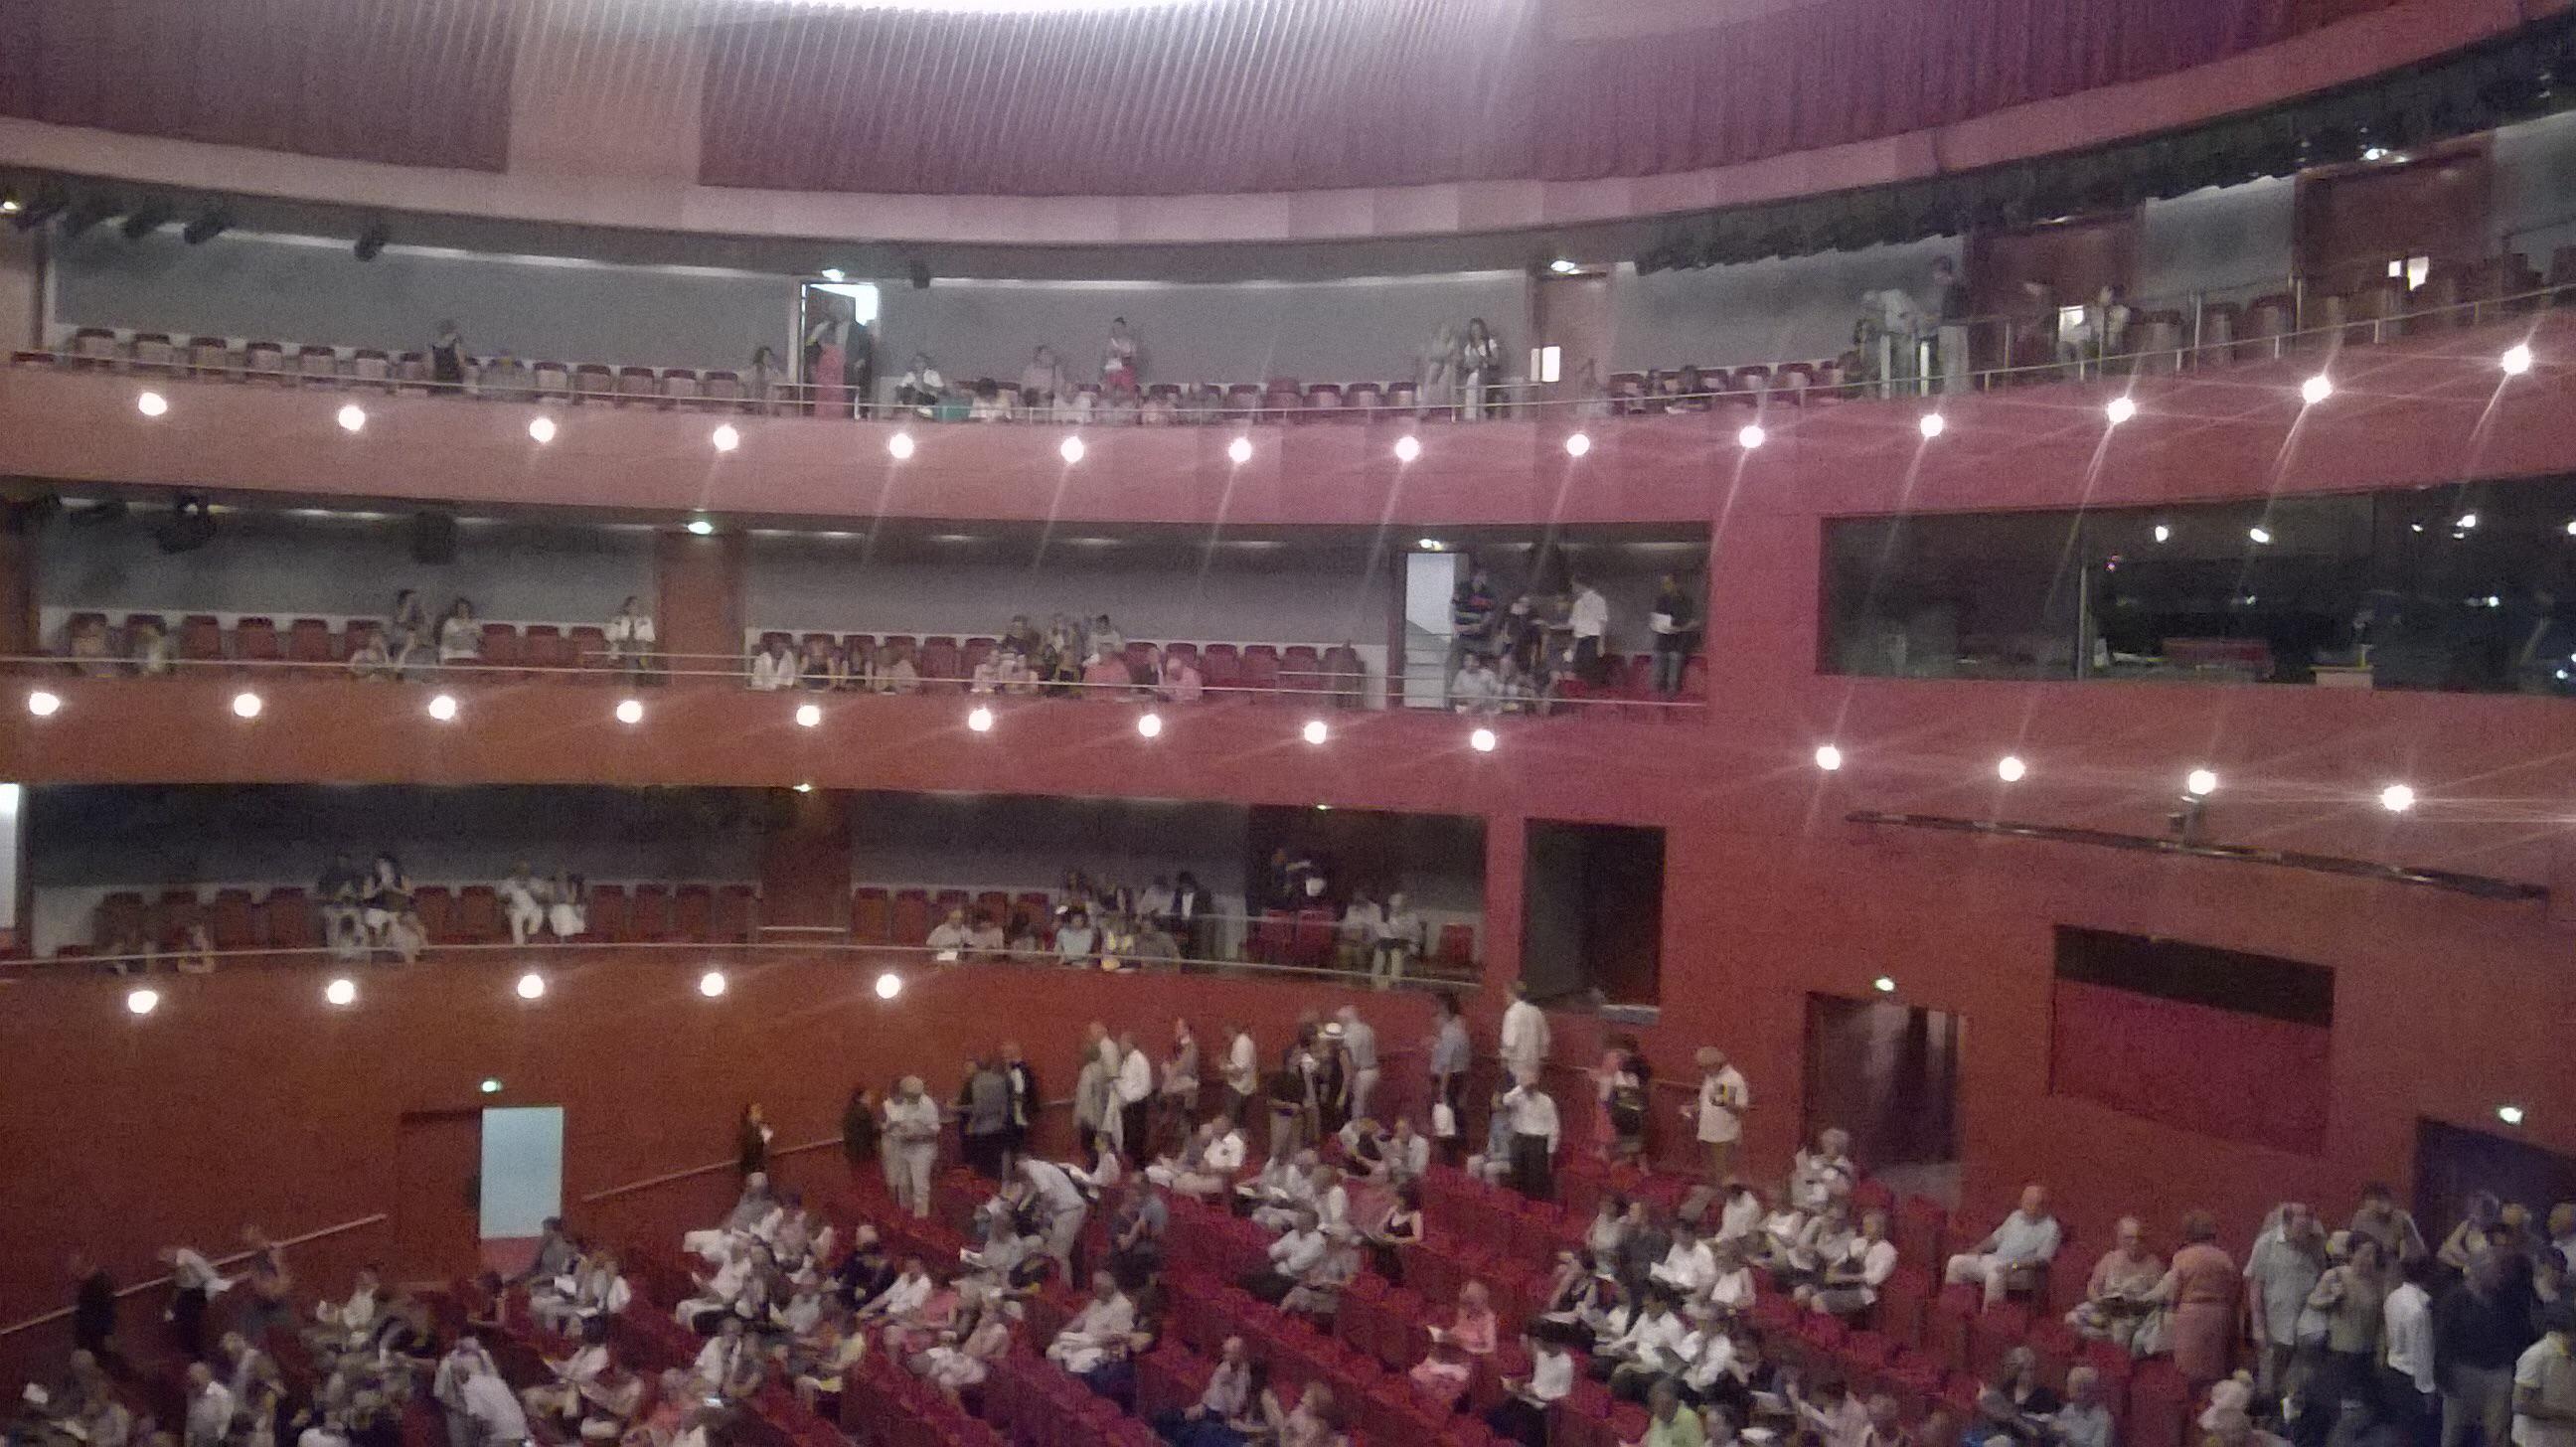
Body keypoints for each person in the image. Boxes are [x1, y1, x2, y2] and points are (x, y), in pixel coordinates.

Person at [2440, 1250, 2532, 1447]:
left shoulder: (2506, 1298)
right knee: (2453, 1432)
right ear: (2479, 1271)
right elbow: (2443, 1340)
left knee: (2498, 1434)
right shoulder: (2454, 1300)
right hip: (2462, 1371)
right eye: (2494, 1270)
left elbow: (2519, 1331)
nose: (2499, 1275)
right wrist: (2444, 1378)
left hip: (2498, 1372)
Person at [2142, 1210, 2236, 1391]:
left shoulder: (2182, 1257)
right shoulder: (2225, 1258)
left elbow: (2173, 1289)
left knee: (2188, 1372)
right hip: (2220, 1314)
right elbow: (2234, 1289)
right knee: (2214, 1369)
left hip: (2190, 1315)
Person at [2245, 1203, 2326, 1402]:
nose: (2304, 1236)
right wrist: (2258, 1326)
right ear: (2286, 1224)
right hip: (2274, 1326)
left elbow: (2322, 1277)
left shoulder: (2315, 1246)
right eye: (2300, 1230)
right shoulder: (2266, 1244)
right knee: (2269, 1386)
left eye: (2308, 1229)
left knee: (2297, 1387)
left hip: (2305, 1331)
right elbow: (2256, 1286)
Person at [1945, 1184, 2063, 1307]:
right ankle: (1953, 1309)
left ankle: (1990, 1320)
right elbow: (1995, 1239)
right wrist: (1978, 1249)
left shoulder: (2051, 1228)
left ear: (2042, 1207)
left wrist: (2015, 1265)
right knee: (1956, 1262)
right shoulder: (2016, 1216)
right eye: (2023, 1201)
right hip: (1996, 1259)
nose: (2022, 1205)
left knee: (1995, 1276)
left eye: (2028, 1203)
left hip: (2021, 1270)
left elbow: (2042, 1260)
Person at [2067, 1216, 2165, 1353]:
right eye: (2129, 1238)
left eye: (2139, 1238)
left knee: (2121, 1331)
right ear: (2119, 1240)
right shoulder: (2110, 1259)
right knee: (2072, 1319)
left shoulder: (2153, 1264)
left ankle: (2115, 1358)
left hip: (2135, 1316)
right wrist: (2099, 1302)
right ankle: (2104, 1340)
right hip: (2107, 1311)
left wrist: (2139, 1305)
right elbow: (2093, 1287)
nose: (2135, 1242)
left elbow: (2161, 1297)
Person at [1409, 1281, 1498, 1407]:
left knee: (1441, 1385)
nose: (1467, 1307)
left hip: (1465, 1357)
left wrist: (1467, 1346)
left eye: (1470, 1303)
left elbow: (1489, 1349)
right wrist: (1446, 1336)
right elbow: (1458, 1328)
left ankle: (1436, 1410)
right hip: (1448, 1349)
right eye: (1465, 1303)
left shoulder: (1488, 1317)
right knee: (1418, 1375)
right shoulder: (1463, 1310)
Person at [1488, 1332, 1576, 1447]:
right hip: (1529, 1401)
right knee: (1497, 1414)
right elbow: (1534, 1381)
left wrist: (1526, 1390)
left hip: (1543, 1409)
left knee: (1519, 1418)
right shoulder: (1542, 1358)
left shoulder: (1563, 1363)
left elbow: (1557, 1394)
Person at [2386, 1256, 2440, 1444]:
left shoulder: (2394, 1296)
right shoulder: (2418, 1310)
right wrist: (2428, 1389)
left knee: (2401, 1431)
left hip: (2393, 1368)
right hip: (2412, 1379)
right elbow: (2422, 1351)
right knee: (2417, 1434)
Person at [2515, 1302, 2576, 1447]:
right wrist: (2567, 1416)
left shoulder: (2571, 1357)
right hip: (2535, 1441)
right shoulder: (2537, 1356)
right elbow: (2521, 1403)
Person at [884, 1075, 941, 1218]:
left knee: (919, 1186)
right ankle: (906, 1217)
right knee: (903, 1185)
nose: (911, 1098)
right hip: (904, 1147)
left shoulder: (927, 1104)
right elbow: (892, 1124)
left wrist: (919, 1135)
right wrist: (894, 1127)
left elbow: (934, 1131)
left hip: (922, 1149)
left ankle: (921, 1220)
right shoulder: (901, 1103)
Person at [1504, 1071, 1560, 1201]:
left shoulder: (1546, 1101)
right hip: (1519, 1140)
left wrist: (1550, 1152)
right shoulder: (1518, 1098)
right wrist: (1520, 1088)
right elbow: (1505, 1100)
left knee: (1535, 1182)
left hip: (1537, 1143)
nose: (1529, 1086)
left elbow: (1554, 1128)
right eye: (1525, 1083)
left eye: (1531, 1083)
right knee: (1516, 1179)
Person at [1649, 574, 1698, 698]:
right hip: (1661, 644)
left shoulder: (1687, 601)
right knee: (1656, 681)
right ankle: (1655, 711)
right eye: (1664, 584)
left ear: (1677, 584)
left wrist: (1678, 628)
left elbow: (1693, 623)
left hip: (1678, 646)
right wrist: (1658, 625)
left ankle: (1671, 712)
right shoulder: (1661, 600)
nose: (1665, 586)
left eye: (1668, 583)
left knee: (1673, 683)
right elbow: (1655, 622)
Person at [1930, 257, 1971, 395]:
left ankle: (1952, 389)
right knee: (1957, 359)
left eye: (1935, 272)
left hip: (1951, 328)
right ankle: (1957, 389)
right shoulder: (1956, 287)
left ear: (1942, 271)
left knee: (1952, 360)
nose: (1934, 276)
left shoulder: (1953, 288)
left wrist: (1938, 318)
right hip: (1956, 327)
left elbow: (1951, 312)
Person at [1632, 1377, 1709, 1447]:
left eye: (1667, 1404)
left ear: (1674, 1401)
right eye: (1657, 1406)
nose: (1662, 1411)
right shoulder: (1656, 1420)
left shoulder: (1688, 1418)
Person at [1501, 980, 1549, 1082]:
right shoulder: (1537, 1012)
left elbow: (1510, 1042)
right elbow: (1545, 1040)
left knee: (1512, 1097)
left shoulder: (1511, 1013)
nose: (1505, 997)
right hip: (1534, 1067)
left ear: (1512, 993)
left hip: (1516, 1067)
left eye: (1506, 994)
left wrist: (1504, 1059)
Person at [805, 307, 849, 417]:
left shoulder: (840, 332)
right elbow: (810, 348)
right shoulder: (821, 329)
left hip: (834, 387)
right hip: (826, 385)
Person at [1567, 574, 1610, 686]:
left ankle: (1591, 691)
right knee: (1578, 668)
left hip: (1592, 639)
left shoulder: (1598, 600)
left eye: (1574, 586)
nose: (1573, 589)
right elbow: (1575, 626)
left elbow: (1602, 622)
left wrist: (1601, 643)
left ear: (1580, 585)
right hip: (1580, 640)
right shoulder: (1578, 603)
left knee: (1590, 668)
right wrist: (1573, 644)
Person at [1460, 318, 1504, 420]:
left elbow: (1496, 361)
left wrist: (1482, 359)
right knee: (1472, 385)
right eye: (1473, 330)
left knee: (1480, 389)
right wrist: (1470, 364)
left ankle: (1482, 414)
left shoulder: (1490, 343)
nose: (1476, 332)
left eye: (1478, 329)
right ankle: (1471, 417)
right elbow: (1467, 366)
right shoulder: (1468, 348)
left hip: (1487, 376)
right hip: (1473, 376)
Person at [499, 862, 547, 947]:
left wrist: (533, 893)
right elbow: (501, 898)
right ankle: (519, 943)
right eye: (521, 869)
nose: (523, 872)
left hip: (532, 907)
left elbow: (544, 898)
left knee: (539, 913)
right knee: (516, 916)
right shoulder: (508, 882)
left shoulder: (535, 882)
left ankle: (530, 936)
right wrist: (508, 897)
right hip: (515, 908)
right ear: (516, 870)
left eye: (526, 870)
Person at [437, 599, 482, 667]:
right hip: (451, 652)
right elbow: (445, 639)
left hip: (469, 652)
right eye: (460, 608)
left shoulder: (475, 623)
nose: (462, 610)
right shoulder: (450, 622)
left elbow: (480, 637)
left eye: (464, 608)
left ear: (468, 609)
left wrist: (472, 632)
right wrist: (459, 634)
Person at [430, 320, 469, 389]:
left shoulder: (434, 348)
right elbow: (462, 365)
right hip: (454, 386)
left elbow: (431, 369)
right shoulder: (456, 345)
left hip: (438, 385)